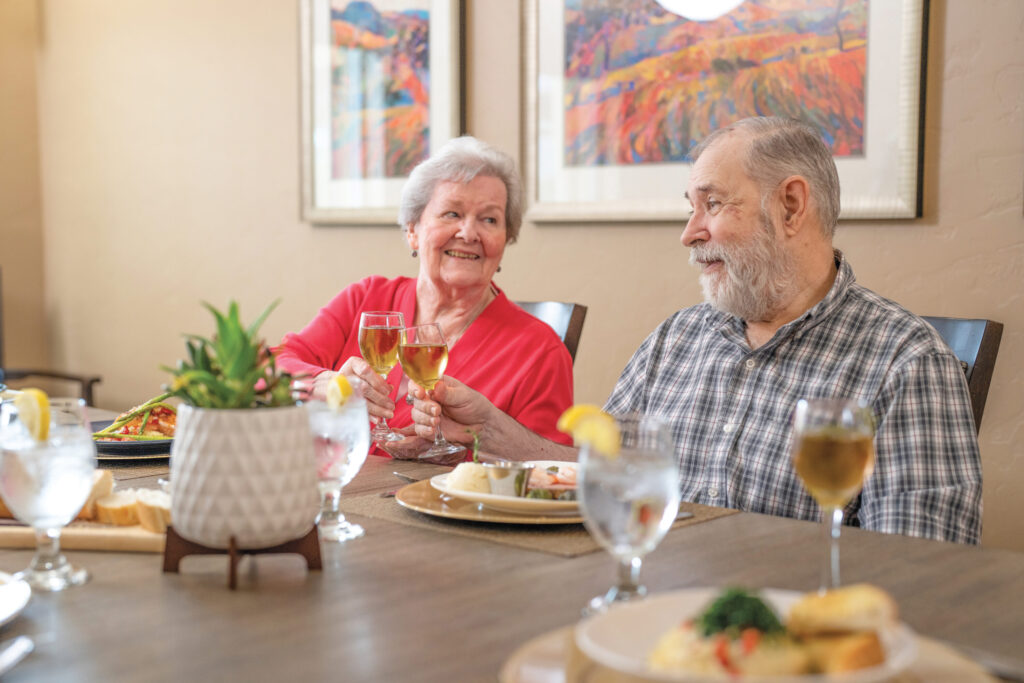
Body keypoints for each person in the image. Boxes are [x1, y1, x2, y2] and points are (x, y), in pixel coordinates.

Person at [408, 117, 982, 544]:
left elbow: (921, 568)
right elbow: (600, 479)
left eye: (712, 204)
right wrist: (494, 431)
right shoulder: (676, 340)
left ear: (790, 206)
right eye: (691, 207)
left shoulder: (906, 363)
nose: (689, 232)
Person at [276, 136, 574, 459]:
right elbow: (273, 367)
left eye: (489, 219)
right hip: (330, 497)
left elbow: (551, 474)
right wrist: (326, 385)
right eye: (451, 213)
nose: (469, 233)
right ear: (412, 230)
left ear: (506, 239)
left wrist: (468, 448)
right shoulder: (368, 299)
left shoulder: (540, 351)